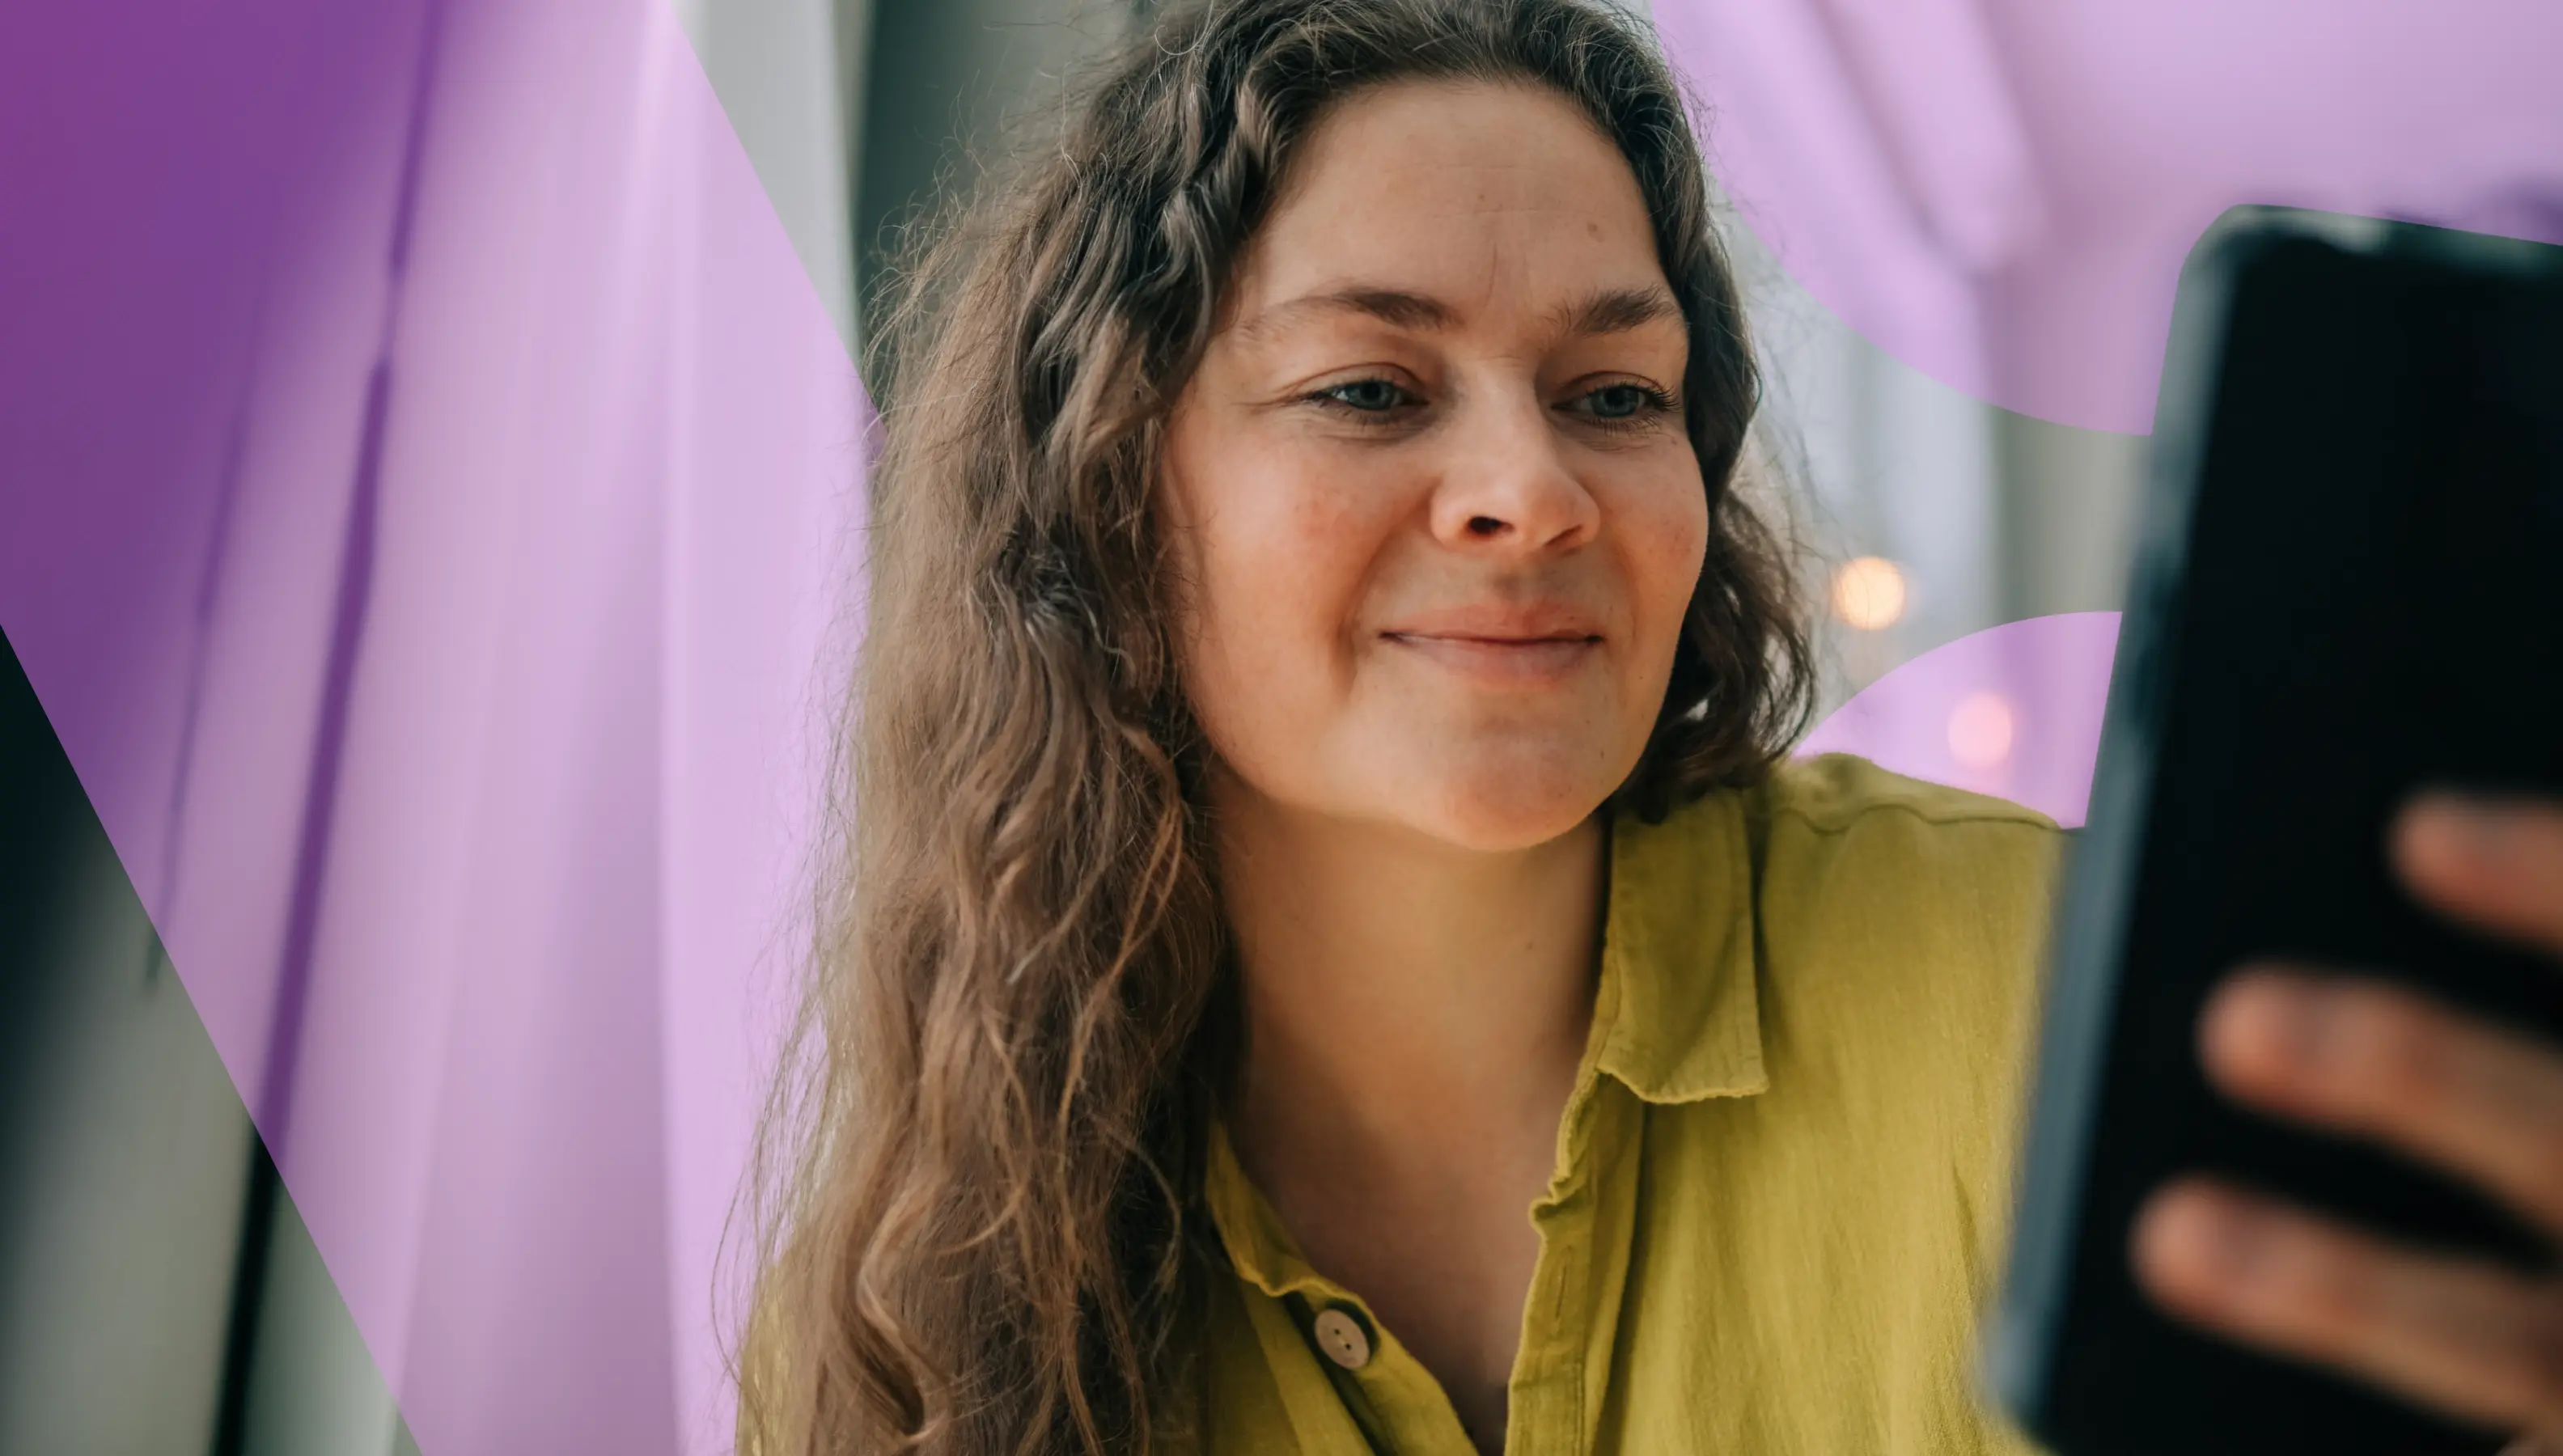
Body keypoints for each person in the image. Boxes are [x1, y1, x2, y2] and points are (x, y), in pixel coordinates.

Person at [735, 2, 2563, 1453]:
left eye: (1616, 392)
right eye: (1371, 387)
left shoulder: (2052, 1003)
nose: (1530, 491)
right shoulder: (927, 1305)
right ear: (1107, 498)